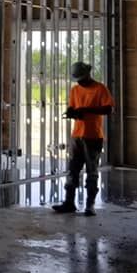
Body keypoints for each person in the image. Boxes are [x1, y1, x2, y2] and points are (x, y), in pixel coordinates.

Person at [53, 61, 113, 216]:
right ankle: (69, 203)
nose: (79, 82)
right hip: (77, 136)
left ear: (88, 74)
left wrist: (86, 110)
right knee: (72, 171)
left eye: (81, 78)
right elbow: (73, 107)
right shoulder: (75, 90)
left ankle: (90, 205)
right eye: (77, 79)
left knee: (92, 172)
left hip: (93, 136)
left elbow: (108, 109)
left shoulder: (100, 89)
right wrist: (72, 112)